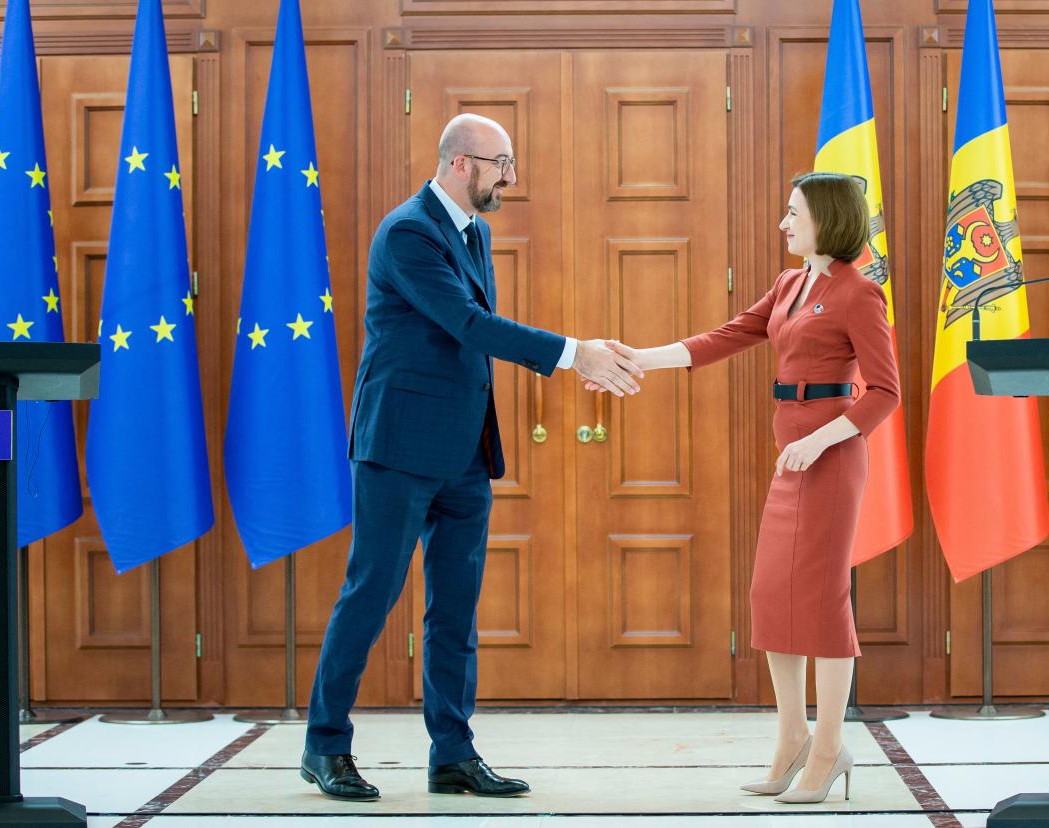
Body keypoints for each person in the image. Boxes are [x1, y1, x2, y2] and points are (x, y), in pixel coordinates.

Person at [302, 113, 643, 801]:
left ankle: (453, 754)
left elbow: (469, 341)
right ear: (460, 163)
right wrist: (577, 353)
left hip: (463, 452)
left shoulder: (475, 232)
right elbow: (468, 323)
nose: (510, 178)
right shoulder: (408, 233)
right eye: (501, 163)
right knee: (370, 596)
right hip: (397, 449)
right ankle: (324, 745)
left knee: (455, 612)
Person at [596, 172, 900, 804]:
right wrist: (636, 359)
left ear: (828, 220)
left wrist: (820, 440)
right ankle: (791, 737)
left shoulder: (858, 294)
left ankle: (829, 748)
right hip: (790, 462)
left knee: (821, 603)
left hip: (831, 461)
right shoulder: (791, 284)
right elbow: (727, 336)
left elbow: (886, 394)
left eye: (794, 214)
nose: (785, 224)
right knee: (772, 596)